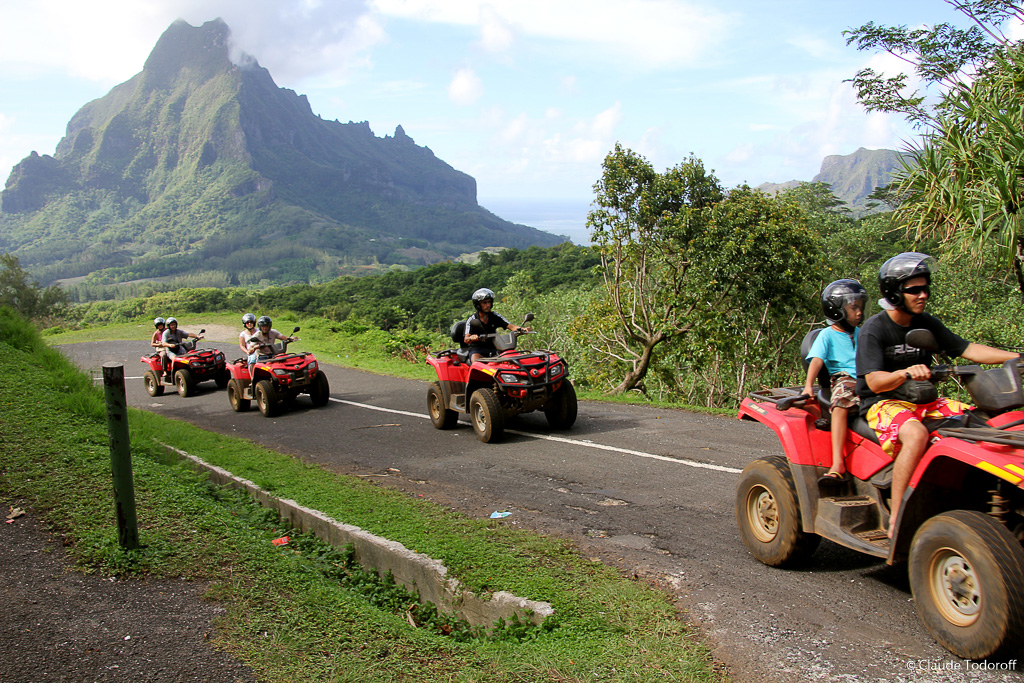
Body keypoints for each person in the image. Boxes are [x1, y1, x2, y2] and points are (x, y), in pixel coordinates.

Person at [855, 252, 1020, 538]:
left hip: (924, 400)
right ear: (894, 293)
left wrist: (1017, 357)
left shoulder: (925, 323)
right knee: (916, 435)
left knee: (980, 421)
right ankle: (898, 513)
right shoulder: (875, 329)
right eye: (914, 290)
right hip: (883, 402)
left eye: (925, 288)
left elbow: (967, 349)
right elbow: (874, 381)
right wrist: (904, 373)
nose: (923, 295)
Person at [801, 279, 867, 486]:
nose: (859, 313)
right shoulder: (827, 336)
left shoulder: (862, 333)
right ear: (836, 310)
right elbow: (817, 360)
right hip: (844, 379)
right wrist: (808, 385)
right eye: (853, 307)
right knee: (840, 405)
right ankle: (838, 464)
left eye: (861, 307)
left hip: (868, 377)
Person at [463, 288, 530, 364]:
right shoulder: (472, 319)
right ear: (478, 305)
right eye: (484, 303)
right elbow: (466, 339)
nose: (488, 305)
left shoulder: (495, 316)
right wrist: (472, 338)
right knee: (477, 364)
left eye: (489, 302)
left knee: (512, 362)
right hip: (478, 350)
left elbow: (512, 326)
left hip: (495, 348)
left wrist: (523, 329)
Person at [245, 316, 296, 380]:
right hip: (262, 357)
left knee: (285, 366)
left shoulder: (273, 332)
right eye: (263, 326)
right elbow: (251, 348)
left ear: (270, 326)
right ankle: (254, 382)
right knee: (260, 375)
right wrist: (255, 347)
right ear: (260, 327)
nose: (265, 328)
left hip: (274, 355)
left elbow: (283, 337)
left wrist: (291, 338)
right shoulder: (256, 335)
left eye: (267, 326)